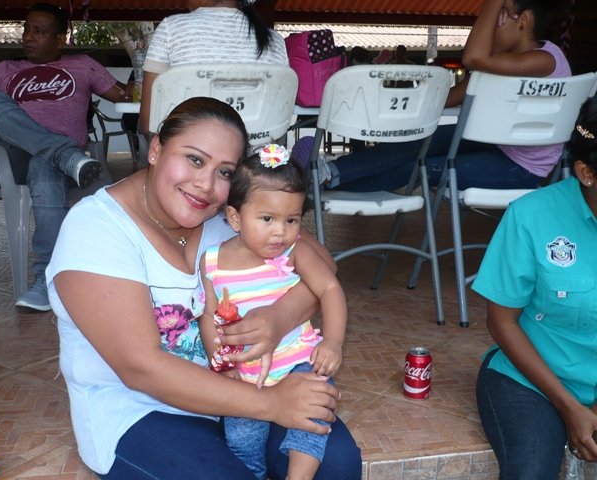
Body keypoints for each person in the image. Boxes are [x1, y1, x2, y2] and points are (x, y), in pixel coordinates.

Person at [46, 97, 362, 479]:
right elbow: (140, 368)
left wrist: (278, 318)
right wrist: (273, 403)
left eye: (225, 172)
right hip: (142, 411)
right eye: (194, 159)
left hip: (245, 387)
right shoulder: (96, 228)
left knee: (337, 464)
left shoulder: (227, 220)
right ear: (156, 149)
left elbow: (323, 268)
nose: (206, 185)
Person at [292, 0, 571, 193]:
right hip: (497, 144)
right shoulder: (506, 62)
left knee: (417, 167)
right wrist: (394, 113)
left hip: (521, 167)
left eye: (498, 17)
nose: (488, 27)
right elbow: (448, 99)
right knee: (419, 140)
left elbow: (473, 57)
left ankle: (319, 187)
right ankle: (326, 174)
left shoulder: (546, 60)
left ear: (524, 21)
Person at [0, 2, 128, 311]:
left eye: (39, 31)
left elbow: (125, 96)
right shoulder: (5, 70)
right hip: (11, 162)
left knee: (42, 163)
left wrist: (143, 64)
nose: (28, 37)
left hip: (52, 167)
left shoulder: (84, 65)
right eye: (26, 30)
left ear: (60, 39)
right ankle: (62, 154)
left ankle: (49, 278)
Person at [199, 144, 348, 480]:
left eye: (291, 220)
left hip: (300, 360)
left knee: (313, 417)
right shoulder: (213, 262)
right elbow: (208, 317)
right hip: (245, 372)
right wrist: (221, 364)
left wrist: (334, 341)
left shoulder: (294, 252)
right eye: (267, 219)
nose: (281, 231)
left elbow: (330, 288)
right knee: (241, 435)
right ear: (235, 218)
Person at [473, 95, 597, 479]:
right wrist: (570, 407)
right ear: (586, 172)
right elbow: (502, 322)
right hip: (530, 380)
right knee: (530, 471)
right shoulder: (531, 216)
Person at [139, 0, 288, 138]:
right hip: (261, 156)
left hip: (191, 151)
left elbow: (148, 124)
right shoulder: (275, 40)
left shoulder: (171, 28)